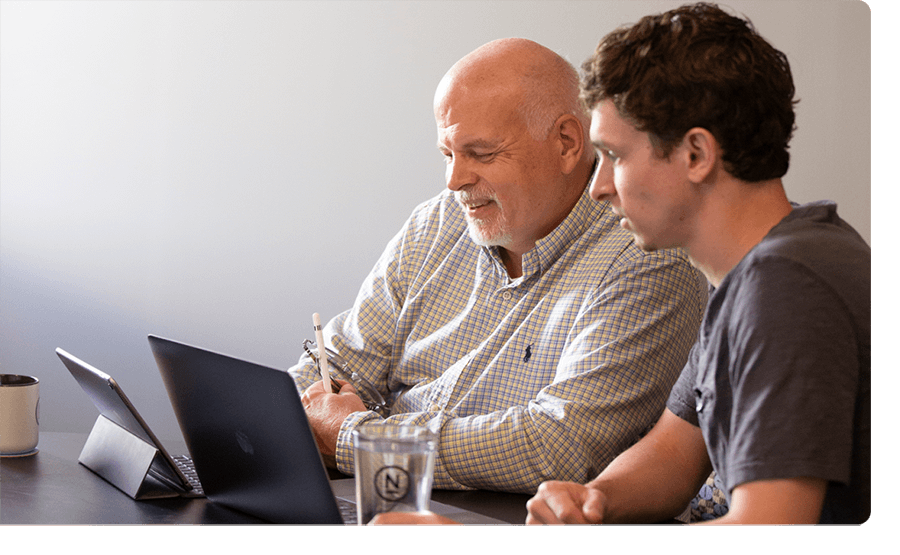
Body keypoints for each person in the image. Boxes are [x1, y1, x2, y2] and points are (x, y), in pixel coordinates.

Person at [291, 37, 707, 494]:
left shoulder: (647, 261)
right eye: (448, 154)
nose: (455, 181)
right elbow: (336, 368)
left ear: (567, 143)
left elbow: (559, 446)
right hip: (388, 496)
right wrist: (311, 420)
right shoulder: (439, 220)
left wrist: (361, 441)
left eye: (482, 154)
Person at [525, 3, 870, 525]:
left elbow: (769, 522)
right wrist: (592, 500)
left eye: (614, 157)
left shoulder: (787, 287)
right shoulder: (755, 271)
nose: (598, 188)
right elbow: (671, 456)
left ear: (696, 155)